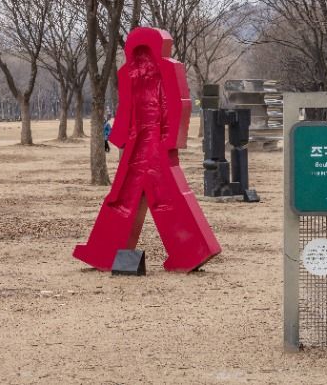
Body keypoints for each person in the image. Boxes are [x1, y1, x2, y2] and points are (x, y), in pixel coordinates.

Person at [73, 27, 221, 273]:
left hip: (153, 144)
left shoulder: (167, 70)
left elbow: (178, 104)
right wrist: (121, 135)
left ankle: (190, 248)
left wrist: (170, 138)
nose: (142, 62)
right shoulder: (128, 73)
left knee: (156, 193)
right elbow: (126, 105)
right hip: (138, 141)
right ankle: (106, 248)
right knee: (127, 194)